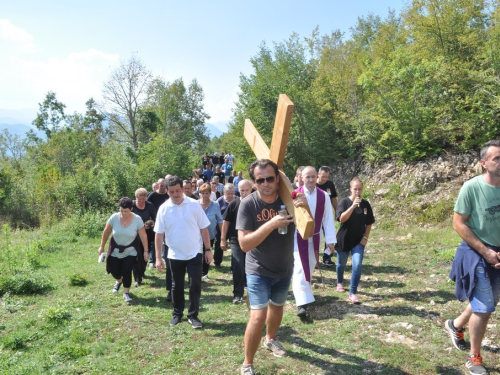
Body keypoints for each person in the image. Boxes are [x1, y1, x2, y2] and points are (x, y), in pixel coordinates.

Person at [446, 140, 500, 375]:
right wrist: (485, 252)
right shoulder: (471, 187)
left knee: (487, 302)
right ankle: (474, 358)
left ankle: (456, 325)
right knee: (485, 307)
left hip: (498, 252)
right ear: (484, 163)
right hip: (476, 252)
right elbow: (459, 223)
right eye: (496, 158)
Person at [236, 159, 295, 375]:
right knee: (258, 315)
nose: (266, 183)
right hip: (258, 269)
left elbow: (309, 230)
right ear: (254, 182)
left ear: (277, 178)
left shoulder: (289, 199)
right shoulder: (248, 204)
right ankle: (247, 364)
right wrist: (271, 224)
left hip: (284, 267)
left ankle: (270, 339)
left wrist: (305, 207)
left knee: (277, 307)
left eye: (270, 178)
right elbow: (244, 244)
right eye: (260, 180)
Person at [154, 176, 212, 329]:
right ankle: (177, 313)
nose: (176, 194)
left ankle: (193, 315)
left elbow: (203, 228)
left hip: (194, 253)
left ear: (183, 189)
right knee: (177, 286)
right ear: (167, 192)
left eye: (178, 190)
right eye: (172, 192)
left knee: (195, 284)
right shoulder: (164, 208)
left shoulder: (194, 205)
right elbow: (159, 234)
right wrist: (159, 258)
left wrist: (208, 249)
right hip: (174, 254)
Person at [291, 166, 337, 319]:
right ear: (301, 178)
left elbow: (328, 219)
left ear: (316, 177)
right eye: (307, 177)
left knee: (309, 266)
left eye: (312, 177)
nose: (310, 180)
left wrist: (330, 241)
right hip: (298, 237)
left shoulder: (324, 196)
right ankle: (301, 304)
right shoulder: (295, 195)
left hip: (315, 237)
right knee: (299, 266)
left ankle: (304, 295)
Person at [98, 197, 149, 303]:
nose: (123, 213)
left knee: (127, 271)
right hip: (115, 250)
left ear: (131, 209)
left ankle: (126, 293)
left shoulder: (137, 219)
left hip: (130, 250)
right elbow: (106, 232)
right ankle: (118, 281)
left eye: (125, 211)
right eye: (121, 210)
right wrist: (102, 246)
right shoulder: (114, 218)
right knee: (114, 270)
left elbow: (143, 236)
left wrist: (146, 251)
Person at [335, 177, 374, 304]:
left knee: (357, 266)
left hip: (358, 241)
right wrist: (352, 206)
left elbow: (369, 223)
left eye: (359, 189)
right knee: (341, 264)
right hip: (344, 239)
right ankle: (340, 281)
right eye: (355, 189)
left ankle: (353, 293)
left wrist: (365, 237)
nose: (357, 191)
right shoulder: (344, 202)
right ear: (350, 189)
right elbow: (341, 219)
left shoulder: (366, 204)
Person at [221, 179, 253, 304]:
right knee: (238, 265)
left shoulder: (257, 203)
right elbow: (226, 222)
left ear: (251, 189)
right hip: (236, 240)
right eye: (242, 190)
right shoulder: (234, 204)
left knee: (252, 267)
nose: (244, 193)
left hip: (253, 239)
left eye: (247, 190)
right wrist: (223, 239)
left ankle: (253, 293)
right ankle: (238, 294)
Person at [132, 188, 157, 287]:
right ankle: (137, 278)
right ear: (136, 197)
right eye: (139, 199)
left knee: (145, 253)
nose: (142, 201)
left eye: (143, 199)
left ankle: (142, 271)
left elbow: (155, 218)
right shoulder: (132, 206)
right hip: (134, 234)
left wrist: (150, 224)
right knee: (136, 256)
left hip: (147, 233)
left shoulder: (150, 205)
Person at [199, 183, 223, 281]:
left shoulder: (215, 205)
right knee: (197, 254)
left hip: (210, 234)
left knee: (207, 252)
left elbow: (220, 220)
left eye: (207, 193)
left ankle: (204, 273)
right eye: (203, 193)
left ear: (210, 193)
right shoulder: (195, 204)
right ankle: (196, 272)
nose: (205, 196)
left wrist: (223, 235)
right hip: (196, 235)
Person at [316, 166, 339, 268]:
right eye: (323, 176)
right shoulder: (314, 184)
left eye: (327, 177)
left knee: (329, 235)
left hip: (327, 214)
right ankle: (314, 258)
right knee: (316, 236)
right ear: (318, 174)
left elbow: (333, 198)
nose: (325, 179)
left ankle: (327, 257)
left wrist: (337, 211)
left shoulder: (330, 184)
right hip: (316, 214)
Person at [147, 178, 170, 268]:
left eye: (164, 186)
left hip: (167, 222)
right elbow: (147, 206)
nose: (163, 188)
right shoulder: (152, 195)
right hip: (155, 221)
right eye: (161, 186)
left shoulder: (168, 195)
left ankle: (166, 258)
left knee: (167, 240)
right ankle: (152, 260)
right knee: (155, 241)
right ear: (157, 185)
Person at [214, 183, 236, 268]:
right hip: (221, 226)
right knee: (219, 243)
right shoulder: (219, 201)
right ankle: (217, 261)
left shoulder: (237, 200)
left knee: (234, 245)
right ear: (224, 193)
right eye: (228, 193)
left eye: (232, 193)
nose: (230, 195)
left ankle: (234, 264)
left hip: (233, 227)